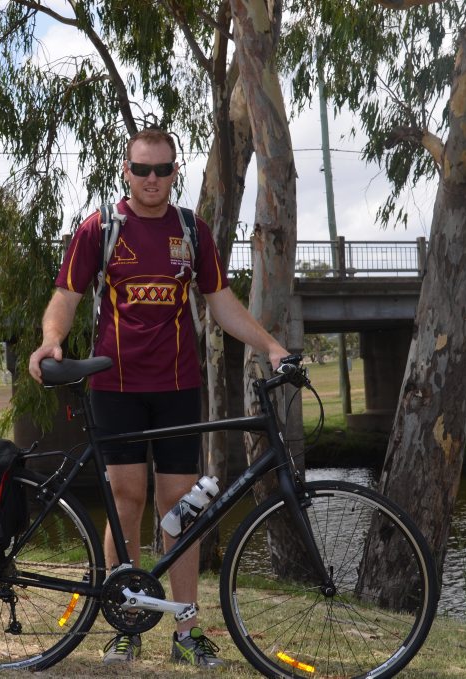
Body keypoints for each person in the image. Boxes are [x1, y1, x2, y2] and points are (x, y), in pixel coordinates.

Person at [29, 127, 288, 668]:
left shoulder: (191, 231)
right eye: (142, 169)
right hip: (115, 385)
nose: (152, 179)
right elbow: (66, 295)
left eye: (162, 169)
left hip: (176, 386)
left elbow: (220, 301)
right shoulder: (101, 228)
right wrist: (52, 339)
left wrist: (270, 345)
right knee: (127, 500)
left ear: (174, 172)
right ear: (126, 171)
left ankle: (186, 631)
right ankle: (125, 624)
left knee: (181, 508)